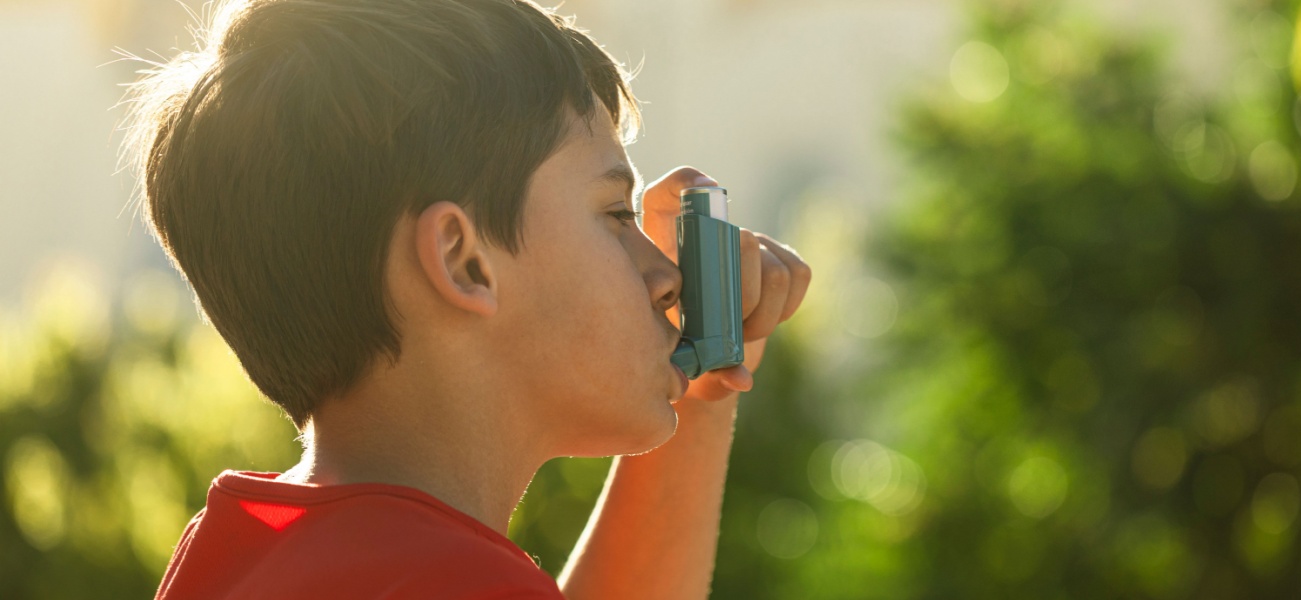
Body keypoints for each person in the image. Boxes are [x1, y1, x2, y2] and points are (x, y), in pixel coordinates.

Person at [123, 0, 811, 598]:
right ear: (464, 261)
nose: (665, 275)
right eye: (614, 215)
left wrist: (704, 388)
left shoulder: (241, 551)